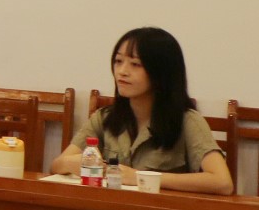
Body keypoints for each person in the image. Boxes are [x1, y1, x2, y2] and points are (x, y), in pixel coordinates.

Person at [49, 28, 233, 194]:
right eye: (118, 61)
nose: (122, 71)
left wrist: (139, 177)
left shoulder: (187, 121)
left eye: (135, 64)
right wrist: (70, 163)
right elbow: (57, 166)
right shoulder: (105, 117)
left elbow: (222, 182)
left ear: (161, 72)